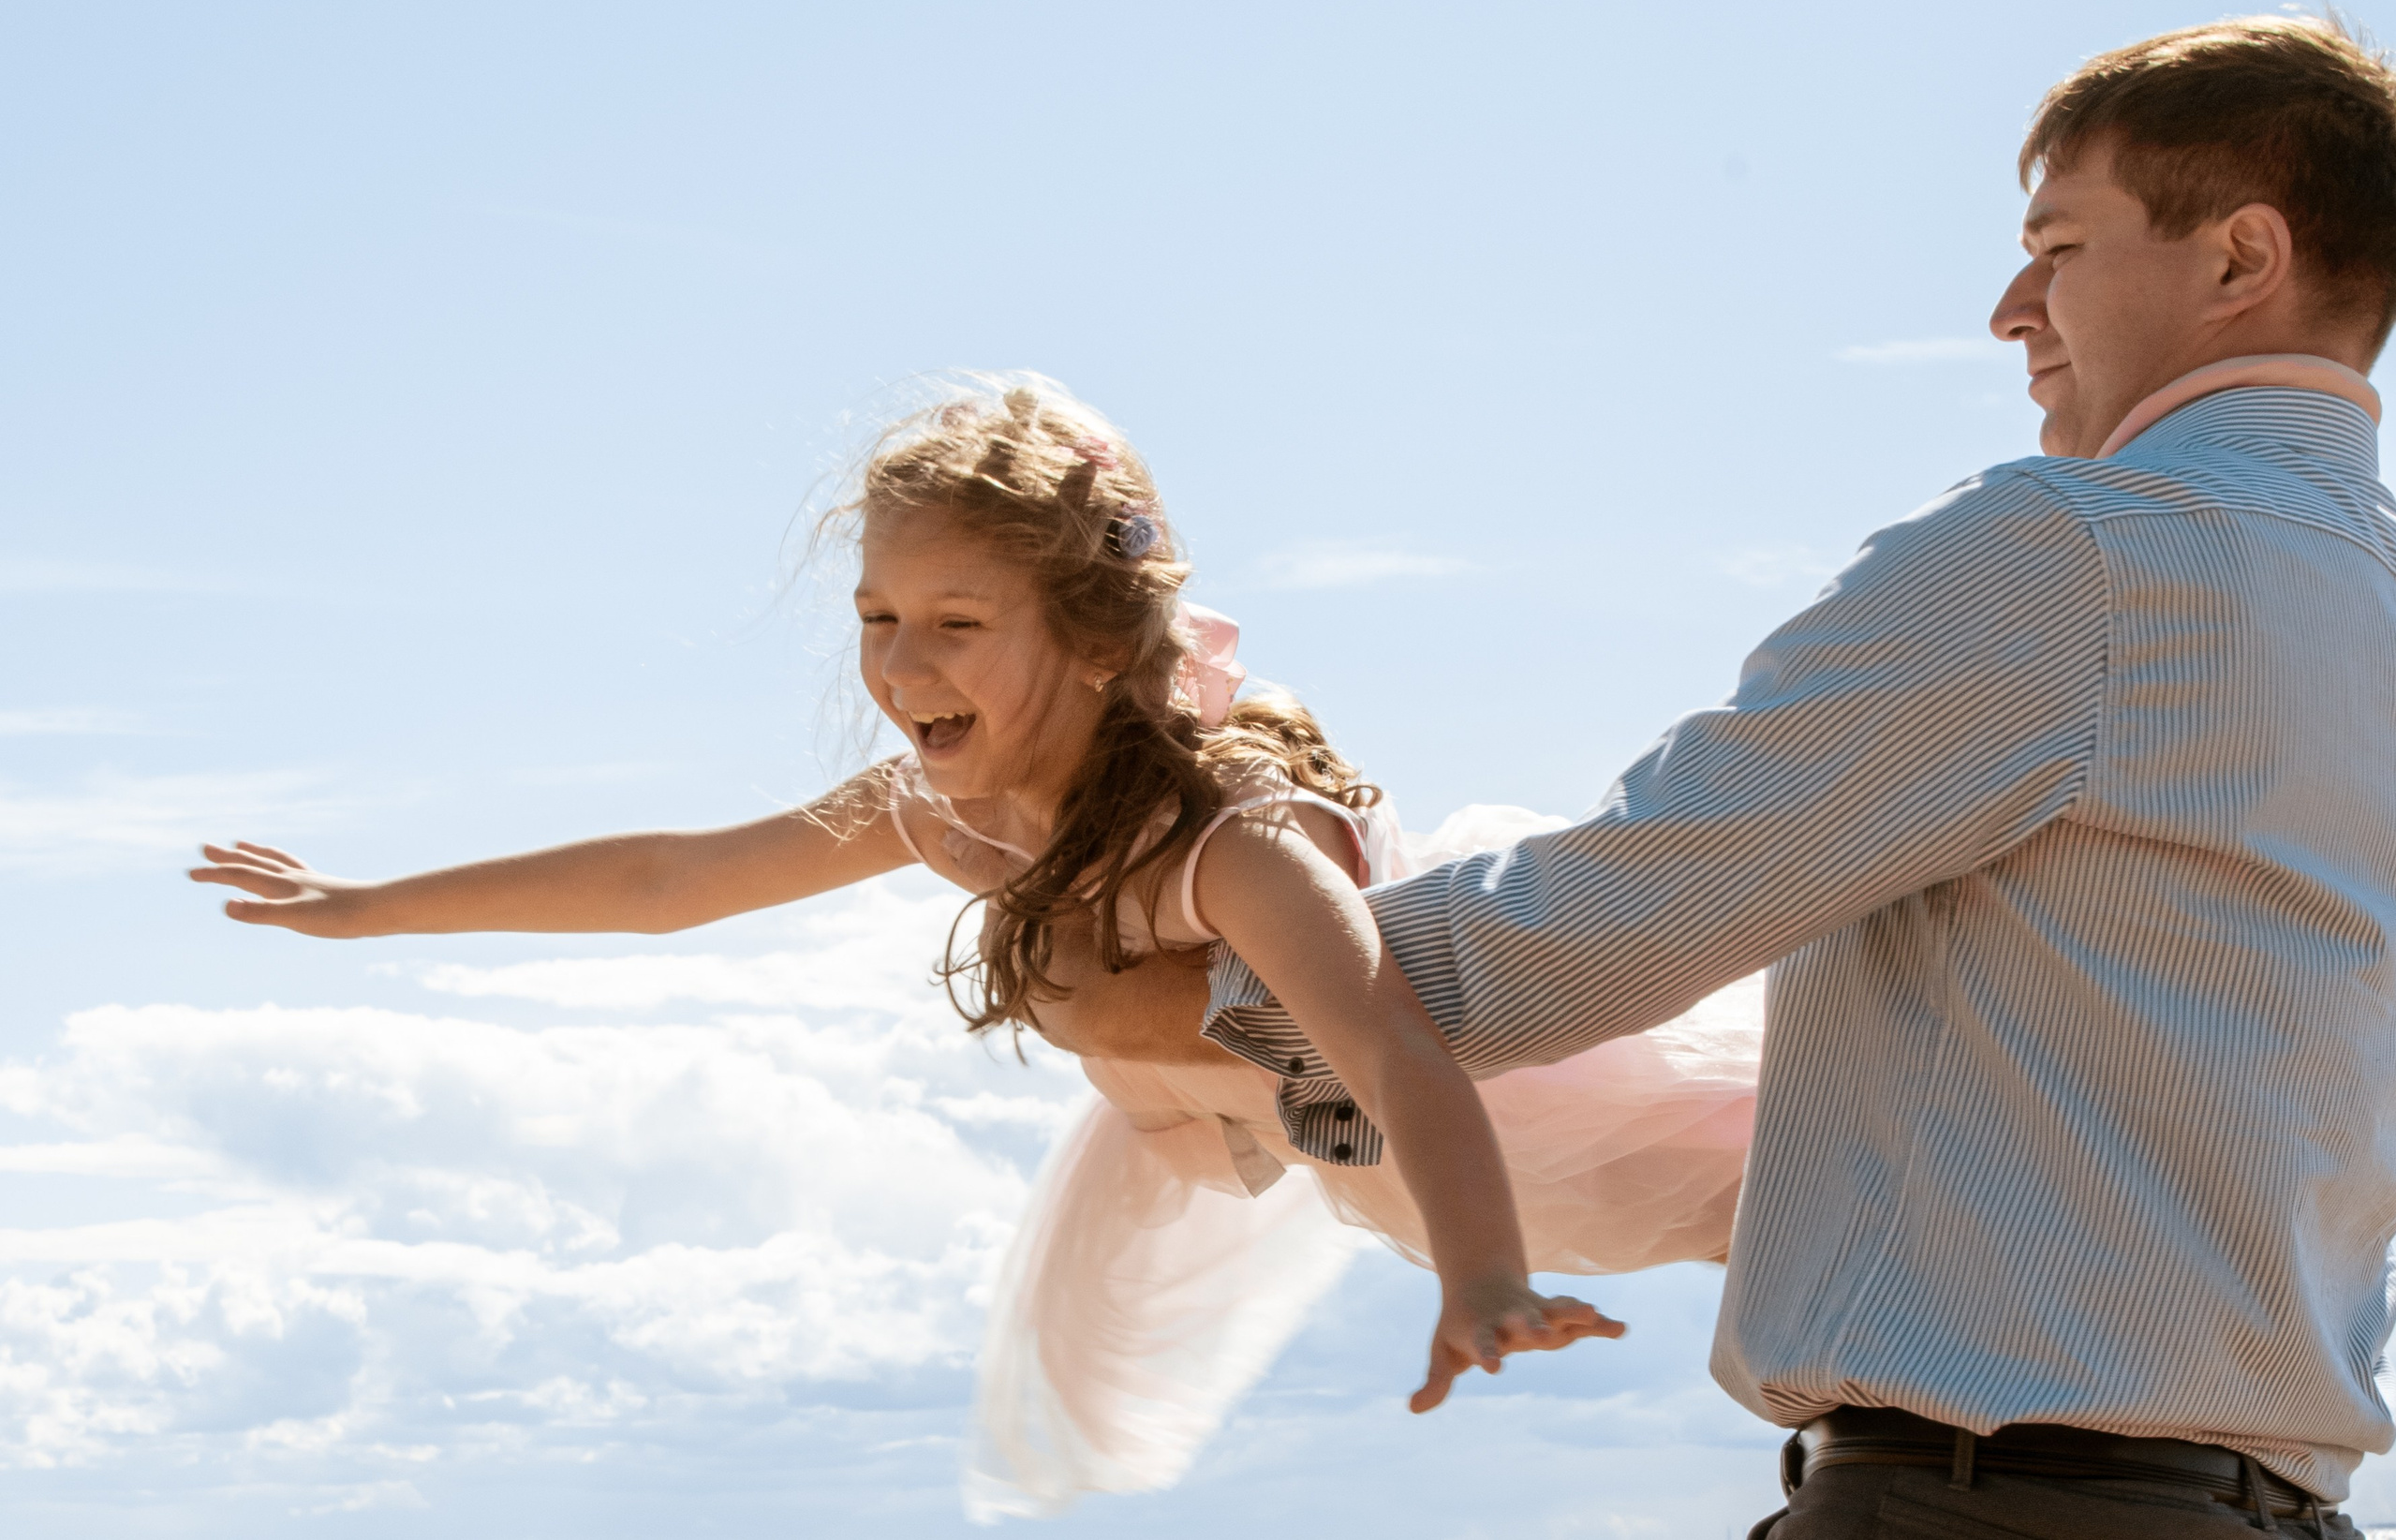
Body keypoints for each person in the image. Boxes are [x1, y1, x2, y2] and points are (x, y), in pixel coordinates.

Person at [1051, 16, 2396, 1537]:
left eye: (2060, 246)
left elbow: (1603, 922)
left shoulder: (2072, 552)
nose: (2012, 306)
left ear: (2241, 259)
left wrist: (1179, 998)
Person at [185, 378, 1761, 1517]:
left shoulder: (1235, 839)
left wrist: (1486, 1279)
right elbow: (678, 877)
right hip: (1260, 1130)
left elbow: (1398, 1053)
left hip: (1487, 1127)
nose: (898, 663)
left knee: (1734, 1188)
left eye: (953, 622)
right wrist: (369, 903)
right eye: (878, 618)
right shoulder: (949, 806)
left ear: (1089, 636)